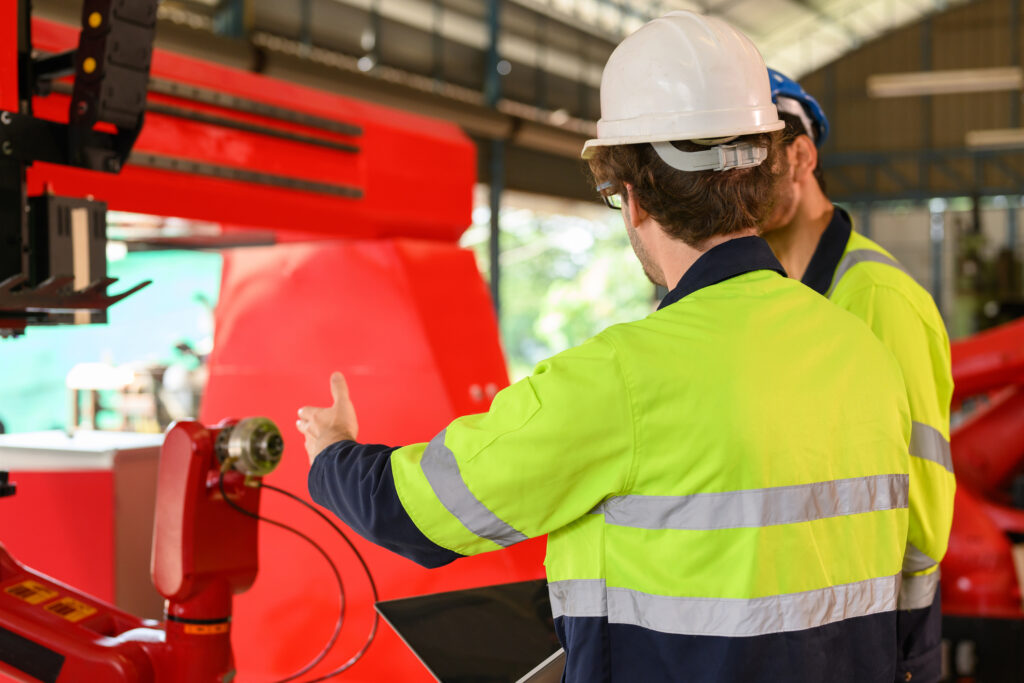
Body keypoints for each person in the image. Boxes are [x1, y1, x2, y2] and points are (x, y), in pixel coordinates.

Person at [300, 12, 912, 681]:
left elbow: (416, 511)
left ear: (633, 197)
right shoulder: (862, 350)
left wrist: (332, 453)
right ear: (765, 177)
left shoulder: (622, 377)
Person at [759, 68, 954, 683]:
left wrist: (894, 644)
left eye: (751, 158)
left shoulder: (877, 297)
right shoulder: (767, 297)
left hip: (878, 626)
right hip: (802, 612)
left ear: (802, 155)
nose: (732, 181)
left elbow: (921, 508)